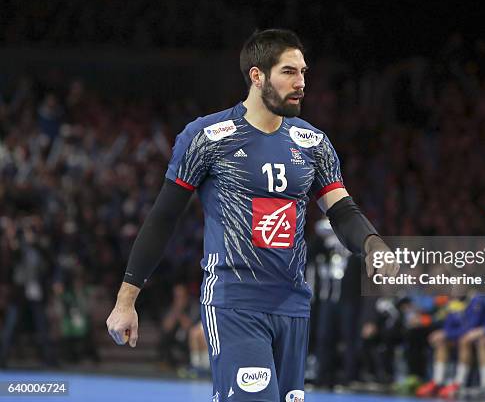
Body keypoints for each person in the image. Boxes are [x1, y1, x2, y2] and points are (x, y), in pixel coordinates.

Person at [106, 28, 398, 402]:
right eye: (289, 72)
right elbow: (163, 218)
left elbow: (341, 209)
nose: (301, 83)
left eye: (304, 72)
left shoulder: (313, 144)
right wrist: (126, 300)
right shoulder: (208, 137)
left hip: (293, 304)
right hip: (234, 301)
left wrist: (372, 244)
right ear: (257, 76)